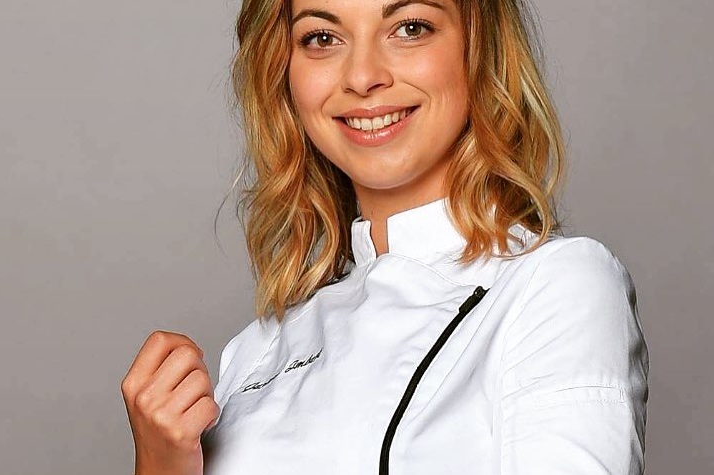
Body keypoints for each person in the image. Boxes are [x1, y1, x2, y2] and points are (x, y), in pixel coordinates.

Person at [121, 0, 650, 473]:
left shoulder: (557, 286)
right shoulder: (257, 350)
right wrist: (162, 468)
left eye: (410, 27)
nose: (362, 76)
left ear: (479, 46)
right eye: (322, 38)